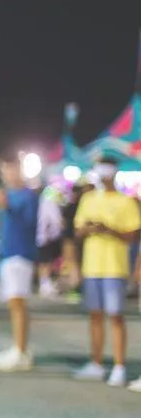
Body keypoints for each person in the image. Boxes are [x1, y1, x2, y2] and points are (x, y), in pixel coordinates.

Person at [72, 158, 140, 387]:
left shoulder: (125, 201)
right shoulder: (88, 198)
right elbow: (78, 230)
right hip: (92, 266)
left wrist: (109, 229)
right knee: (95, 315)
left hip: (114, 266)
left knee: (116, 316)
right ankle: (97, 363)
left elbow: (133, 235)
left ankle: (119, 366)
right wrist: (91, 228)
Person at [0, 156, 39, 372]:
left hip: (21, 255)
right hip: (7, 254)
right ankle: (18, 347)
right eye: (4, 171)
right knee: (13, 303)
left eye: (11, 170)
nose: (7, 175)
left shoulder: (28, 196)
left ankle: (21, 350)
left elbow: (28, 223)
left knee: (18, 304)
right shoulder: (9, 194)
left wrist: (8, 207)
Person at [36, 189, 64, 297]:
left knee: (42, 262)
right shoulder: (49, 204)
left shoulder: (39, 203)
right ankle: (45, 284)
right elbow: (55, 220)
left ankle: (44, 283)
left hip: (39, 237)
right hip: (46, 238)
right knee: (46, 262)